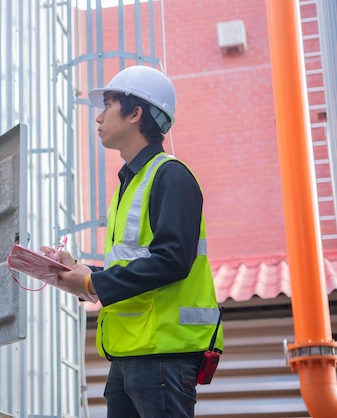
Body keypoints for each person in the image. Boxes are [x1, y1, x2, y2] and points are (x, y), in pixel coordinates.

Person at [41, 65, 223, 418]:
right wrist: (79, 271)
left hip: (162, 356)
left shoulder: (171, 176)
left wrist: (94, 282)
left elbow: (171, 260)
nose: (98, 117)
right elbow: (130, 265)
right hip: (131, 355)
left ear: (135, 113)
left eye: (107, 104)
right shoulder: (129, 185)